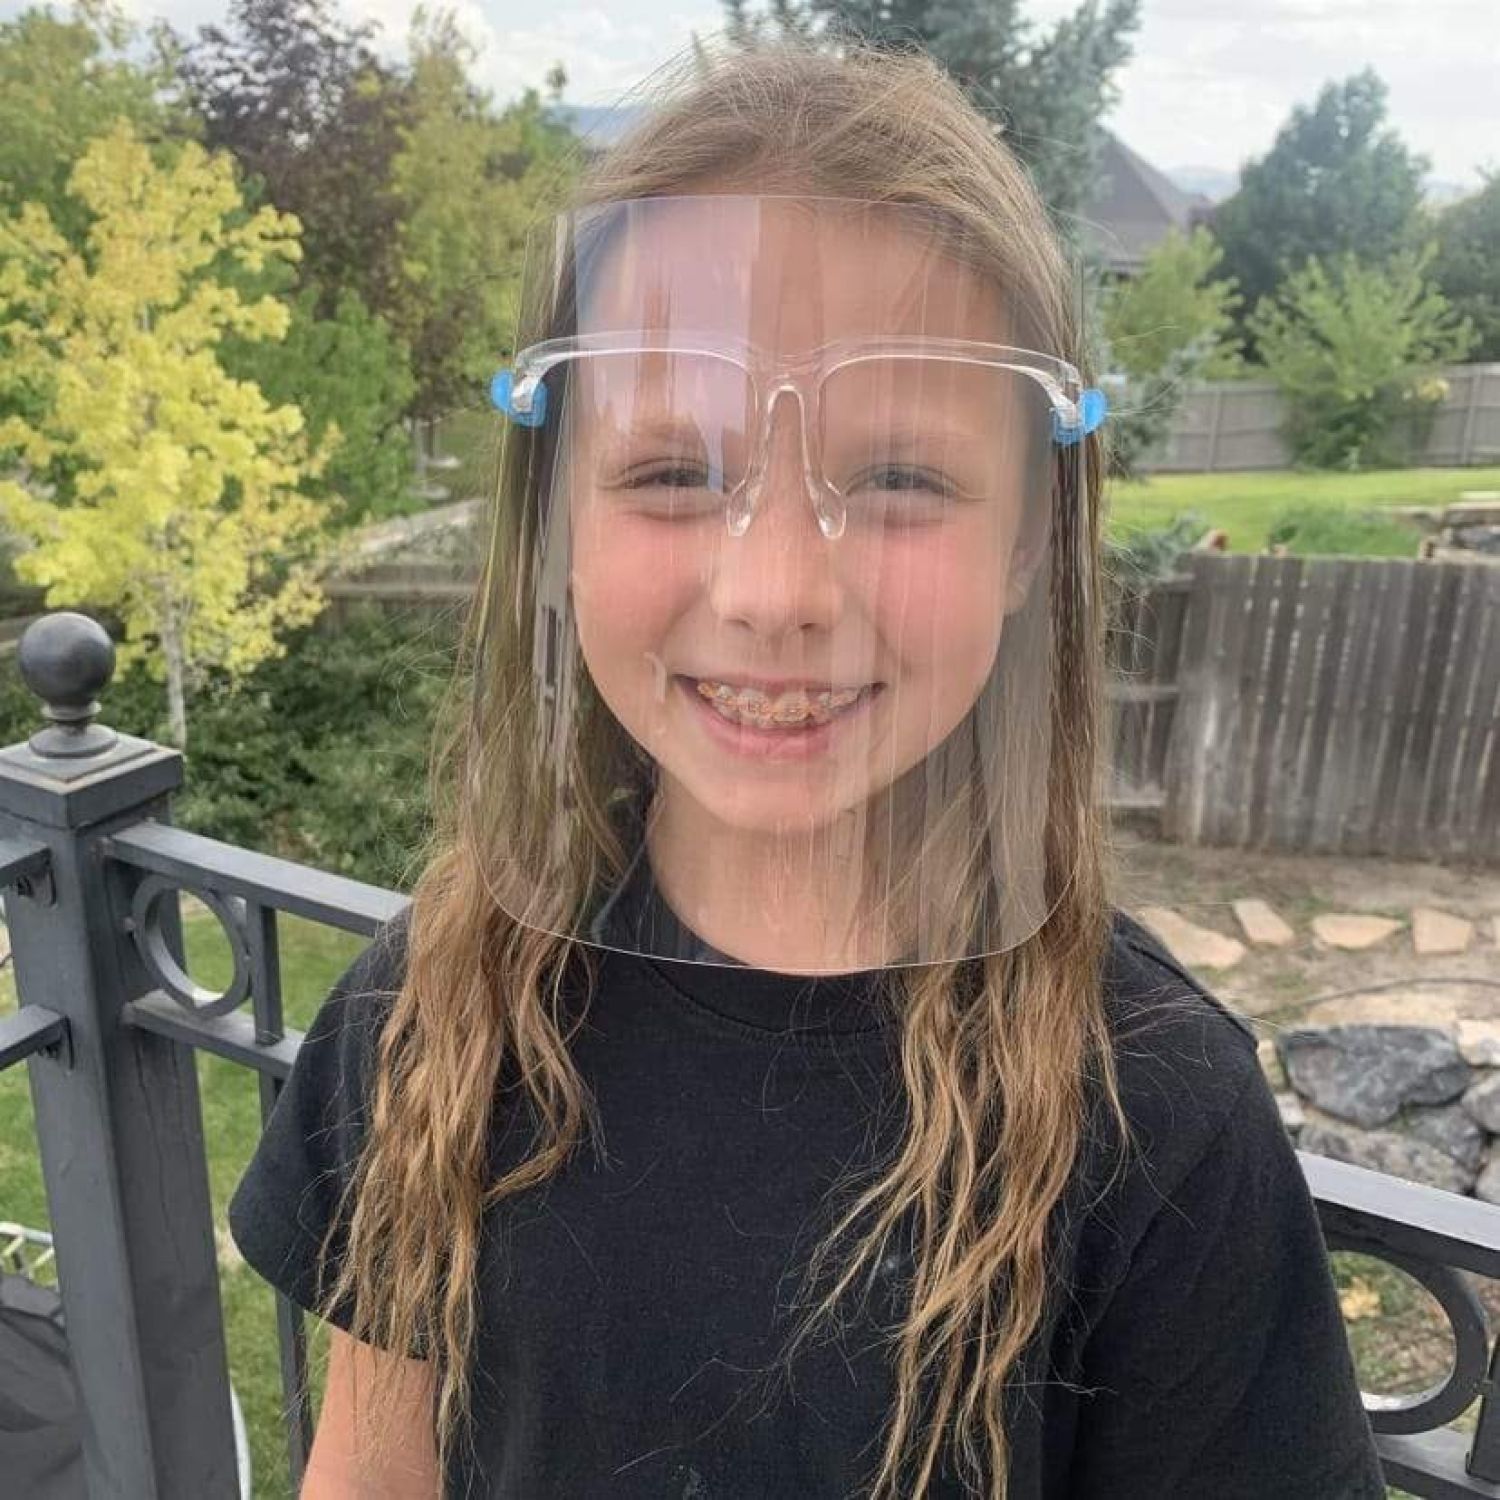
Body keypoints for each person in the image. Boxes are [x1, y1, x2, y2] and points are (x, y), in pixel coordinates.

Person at [228, 42, 1385, 1499]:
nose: (774, 590)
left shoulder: (1152, 1114)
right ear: (559, 521)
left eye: (898, 478)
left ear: (1030, 541)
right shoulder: (437, 1010)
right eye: (673, 472)